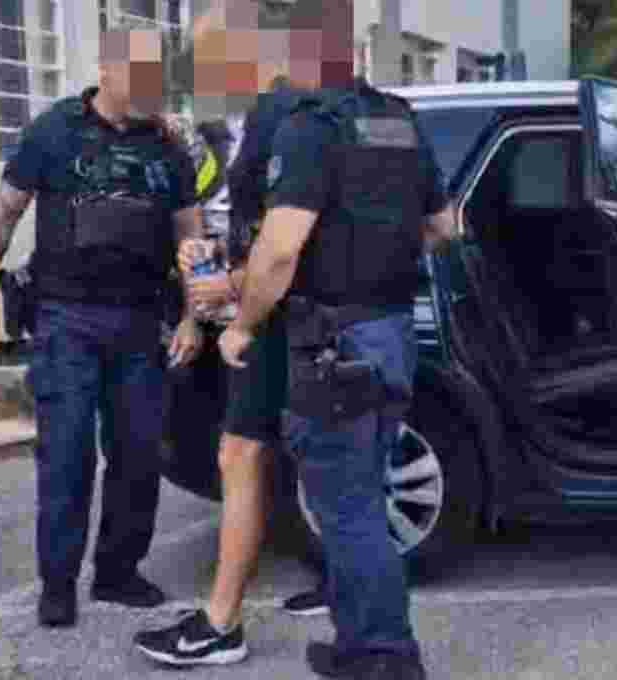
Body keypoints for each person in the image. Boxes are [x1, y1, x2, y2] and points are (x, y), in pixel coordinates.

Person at [218, 0, 455, 675]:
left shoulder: (309, 127)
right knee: (364, 499)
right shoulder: (400, 120)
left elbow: (278, 252)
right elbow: (444, 228)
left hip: (334, 344)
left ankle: (385, 655)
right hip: (391, 333)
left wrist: (243, 325)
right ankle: (360, 644)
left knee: (348, 511)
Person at [0, 28, 203, 628]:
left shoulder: (169, 146)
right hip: (66, 319)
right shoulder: (53, 131)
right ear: (107, 71)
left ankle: (117, 572)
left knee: (139, 454)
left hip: (141, 322)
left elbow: (192, 235)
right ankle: (58, 584)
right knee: (67, 455)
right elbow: (4, 214)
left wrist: (193, 315)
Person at [132, 1, 327, 666]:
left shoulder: (283, 114)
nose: (199, 67)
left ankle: (221, 624)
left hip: (274, 315)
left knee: (242, 455)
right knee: (304, 455)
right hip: (284, 311)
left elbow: (285, 242)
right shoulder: (265, 117)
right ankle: (343, 589)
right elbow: (252, 227)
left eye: (208, 52)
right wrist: (210, 262)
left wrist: (232, 300)